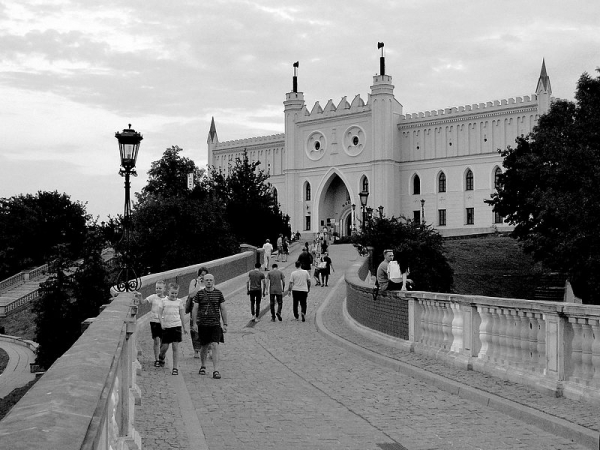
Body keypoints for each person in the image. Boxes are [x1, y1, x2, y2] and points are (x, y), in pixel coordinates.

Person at [191, 274, 228, 379]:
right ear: (204, 281)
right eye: (207, 280)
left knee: (215, 345)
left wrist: (225, 323)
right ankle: (203, 365)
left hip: (215, 324)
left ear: (213, 281)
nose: (208, 282)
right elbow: (195, 308)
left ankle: (216, 370)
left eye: (210, 280)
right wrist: (194, 323)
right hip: (203, 324)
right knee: (204, 346)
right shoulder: (199, 294)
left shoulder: (218, 293)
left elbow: (223, 309)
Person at [157, 283, 188, 375]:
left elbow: (182, 315)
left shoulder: (179, 302)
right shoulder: (163, 301)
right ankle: (161, 356)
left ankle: (175, 367)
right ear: (168, 292)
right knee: (165, 346)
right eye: (172, 293)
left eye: (176, 293)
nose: (174, 295)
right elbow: (159, 313)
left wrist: (184, 327)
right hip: (166, 326)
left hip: (176, 326)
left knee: (175, 347)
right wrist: (162, 323)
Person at [136, 280, 166, 367]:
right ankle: (156, 359)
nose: (158, 290)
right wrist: (140, 296)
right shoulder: (153, 297)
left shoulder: (167, 299)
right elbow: (143, 302)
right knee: (156, 340)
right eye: (157, 288)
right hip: (154, 321)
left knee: (163, 342)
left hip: (163, 322)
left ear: (164, 289)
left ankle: (162, 357)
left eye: (160, 288)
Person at [187, 266, 208, 358]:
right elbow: (191, 294)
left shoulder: (209, 282)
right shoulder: (194, 282)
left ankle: (208, 348)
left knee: (207, 328)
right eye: (201, 274)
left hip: (206, 309)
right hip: (195, 308)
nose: (203, 276)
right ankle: (196, 349)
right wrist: (198, 286)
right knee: (194, 328)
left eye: (205, 275)